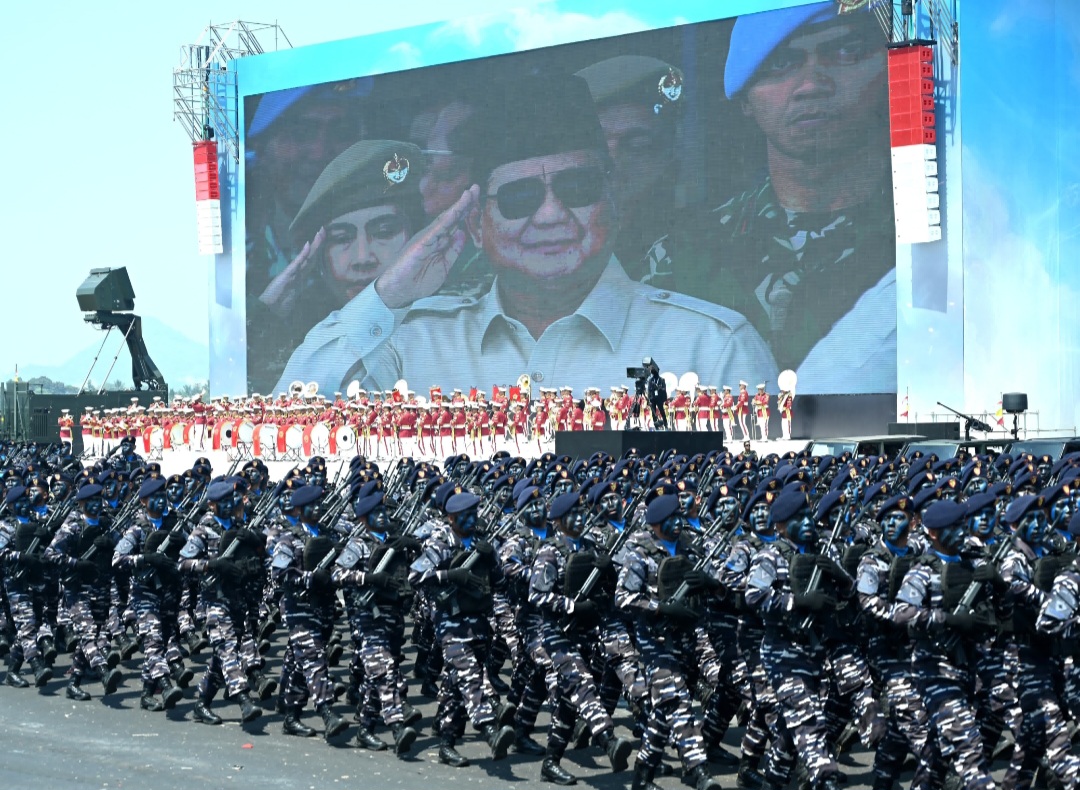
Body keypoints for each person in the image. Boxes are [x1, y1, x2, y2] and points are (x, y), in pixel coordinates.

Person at [277, 73, 777, 395]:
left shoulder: (710, 346)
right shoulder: (411, 342)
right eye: (519, 198)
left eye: (577, 188)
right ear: (475, 223)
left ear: (612, 201)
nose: (551, 214)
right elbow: (289, 424)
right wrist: (388, 295)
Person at [669, 2, 896, 394]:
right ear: (745, 98)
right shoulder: (681, 255)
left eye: (846, 52)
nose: (812, 85)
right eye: (780, 64)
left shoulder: (937, 234)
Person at [252, 140, 427, 394]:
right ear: (319, 256)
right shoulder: (302, 340)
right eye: (342, 239)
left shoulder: (451, 324)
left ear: (417, 238)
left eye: (384, 232)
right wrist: (268, 312)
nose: (363, 258)